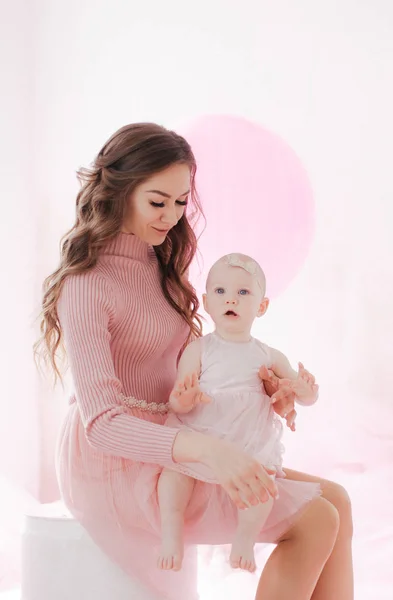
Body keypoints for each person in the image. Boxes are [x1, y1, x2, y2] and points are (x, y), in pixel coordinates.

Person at [35, 123, 354, 600]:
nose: (171, 216)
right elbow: (101, 423)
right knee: (315, 519)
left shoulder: (161, 268)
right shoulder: (87, 285)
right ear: (119, 192)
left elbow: (188, 370)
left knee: (338, 501)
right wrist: (209, 451)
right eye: (157, 201)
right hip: (114, 464)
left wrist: (260, 386)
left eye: (181, 202)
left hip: (178, 437)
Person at [158, 252, 320, 574]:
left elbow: (301, 396)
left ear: (261, 307)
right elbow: (177, 399)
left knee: (263, 487)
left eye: (243, 292)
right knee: (173, 477)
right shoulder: (199, 349)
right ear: (206, 301)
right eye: (220, 291)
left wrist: (304, 389)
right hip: (203, 432)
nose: (230, 298)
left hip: (247, 442)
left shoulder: (268, 354)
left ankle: (244, 539)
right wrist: (185, 398)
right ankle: (170, 531)